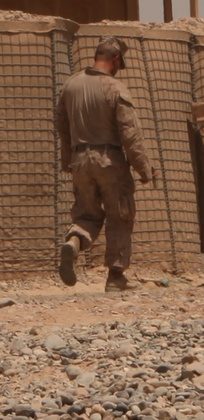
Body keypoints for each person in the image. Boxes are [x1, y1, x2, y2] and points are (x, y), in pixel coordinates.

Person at [57, 36, 155, 292]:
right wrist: (143, 167)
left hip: (79, 161)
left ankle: (75, 241)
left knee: (86, 213)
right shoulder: (115, 88)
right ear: (115, 59)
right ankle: (116, 276)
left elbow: (63, 128)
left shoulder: (70, 85)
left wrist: (67, 160)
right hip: (109, 161)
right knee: (120, 215)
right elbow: (129, 133)